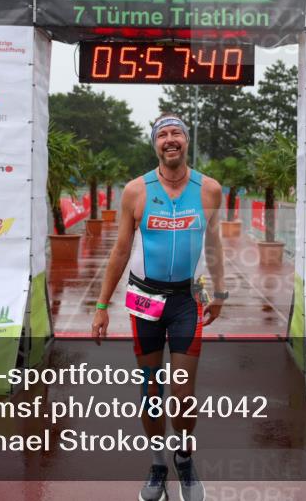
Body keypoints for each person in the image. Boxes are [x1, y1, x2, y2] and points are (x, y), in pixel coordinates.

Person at [92, 113, 226, 501]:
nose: (170, 140)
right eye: (163, 134)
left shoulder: (209, 190)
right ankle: (157, 464)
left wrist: (220, 293)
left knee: (182, 394)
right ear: (155, 143)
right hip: (145, 299)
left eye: (177, 134)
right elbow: (120, 250)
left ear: (186, 141)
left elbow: (214, 245)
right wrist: (102, 305)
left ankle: (184, 458)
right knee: (152, 389)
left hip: (187, 300)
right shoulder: (136, 191)